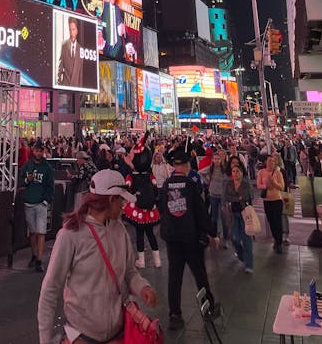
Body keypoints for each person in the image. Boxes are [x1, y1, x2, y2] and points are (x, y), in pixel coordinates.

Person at [38, 169, 157, 344]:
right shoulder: (70, 235)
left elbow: (130, 272)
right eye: (121, 200)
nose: (124, 205)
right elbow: (50, 289)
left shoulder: (120, 230)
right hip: (81, 336)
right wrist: (45, 339)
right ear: (111, 199)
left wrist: (143, 288)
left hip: (116, 334)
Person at [159, 146, 220, 331]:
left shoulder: (165, 186)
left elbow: (162, 210)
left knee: (174, 277)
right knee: (199, 273)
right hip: (190, 237)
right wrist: (211, 232)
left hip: (172, 238)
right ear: (186, 166)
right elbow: (200, 212)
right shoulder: (191, 186)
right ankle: (208, 307)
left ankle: (175, 314)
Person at [123, 139, 161, 268]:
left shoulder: (131, 176)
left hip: (137, 209)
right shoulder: (150, 175)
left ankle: (141, 261)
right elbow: (156, 189)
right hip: (150, 209)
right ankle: (157, 260)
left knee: (140, 234)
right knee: (150, 233)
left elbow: (126, 188)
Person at [20, 139, 54, 272]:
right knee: (33, 233)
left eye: (40, 151)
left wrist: (46, 201)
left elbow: (50, 186)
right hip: (29, 202)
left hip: (41, 204)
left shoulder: (47, 168)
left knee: (41, 232)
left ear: (43, 152)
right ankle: (34, 255)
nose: (38, 153)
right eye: (36, 150)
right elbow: (20, 181)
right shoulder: (28, 165)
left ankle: (39, 259)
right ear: (33, 151)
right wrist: (26, 180)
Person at [224, 155, 254, 273]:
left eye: (237, 171)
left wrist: (235, 197)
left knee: (246, 239)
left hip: (245, 213)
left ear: (242, 172)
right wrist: (237, 197)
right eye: (233, 171)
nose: (235, 173)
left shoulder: (246, 184)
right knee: (234, 237)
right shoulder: (229, 184)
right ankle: (241, 256)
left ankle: (249, 264)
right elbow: (227, 197)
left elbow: (247, 197)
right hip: (233, 213)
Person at [257, 154, 285, 253]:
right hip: (267, 201)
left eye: (273, 161)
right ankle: (275, 238)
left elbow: (282, 187)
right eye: (269, 161)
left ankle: (279, 241)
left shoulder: (278, 173)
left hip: (277, 200)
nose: (271, 163)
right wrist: (266, 186)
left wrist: (273, 183)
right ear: (265, 162)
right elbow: (258, 185)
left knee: (278, 221)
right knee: (271, 221)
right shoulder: (261, 172)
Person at [208, 147, 229, 248]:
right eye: (214, 159)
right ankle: (214, 236)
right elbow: (201, 172)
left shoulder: (224, 169)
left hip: (222, 195)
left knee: (224, 217)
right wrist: (208, 182)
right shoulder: (210, 169)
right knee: (214, 217)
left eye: (218, 158)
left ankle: (226, 238)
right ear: (212, 159)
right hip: (213, 194)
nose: (216, 160)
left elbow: (229, 180)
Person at [57, 17, 83, 88]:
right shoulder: (64, 46)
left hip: (76, 88)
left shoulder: (81, 49)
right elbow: (60, 66)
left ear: (76, 31)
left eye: (73, 29)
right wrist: (59, 83)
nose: (71, 32)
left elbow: (81, 72)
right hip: (65, 86)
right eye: (70, 29)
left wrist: (80, 89)